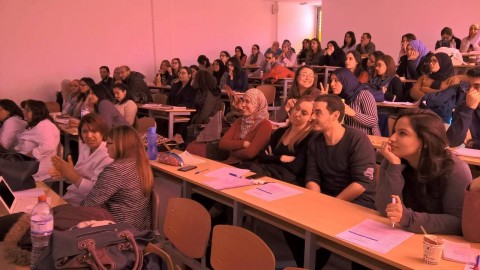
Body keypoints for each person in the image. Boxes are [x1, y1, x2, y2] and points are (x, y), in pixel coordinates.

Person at [301, 94, 376, 269]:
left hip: (359, 201)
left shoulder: (357, 139)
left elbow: (361, 183)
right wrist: (317, 202)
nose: (312, 117)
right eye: (312, 112)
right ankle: (309, 264)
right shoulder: (315, 140)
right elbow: (312, 176)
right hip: (328, 196)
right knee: (293, 224)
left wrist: (330, 205)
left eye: (317, 112)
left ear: (335, 115)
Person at [376, 109, 471, 235]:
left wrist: (407, 217)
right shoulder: (393, 160)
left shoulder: (455, 169)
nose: (392, 138)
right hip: (401, 234)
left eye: (402, 133)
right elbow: (385, 209)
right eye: (394, 132)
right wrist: (394, 167)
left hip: (437, 242)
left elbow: (458, 222)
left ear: (425, 141)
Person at [81, 125, 153, 231]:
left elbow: (87, 206)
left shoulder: (116, 170)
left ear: (121, 145)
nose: (106, 146)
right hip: (138, 228)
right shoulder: (140, 164)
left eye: (109, 143)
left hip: (118, 231)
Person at [49, 113, 113, 206]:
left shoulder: (108, 155)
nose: (89, 136)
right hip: (73, 196)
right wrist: (65, 175)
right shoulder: (86, 147)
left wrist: (72, 176)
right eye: (85, 131)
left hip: (88, 204)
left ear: (102, 132)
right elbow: (78, 174)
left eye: (94, 131)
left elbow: (97, 192)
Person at [250, 96, 314, 185]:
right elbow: (262, 157)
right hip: (266, 173)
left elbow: (295, 168)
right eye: (297, 109)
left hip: (286, 181)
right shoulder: (280, 132)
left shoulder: (309, 138)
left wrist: (272, 157)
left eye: (304, 113)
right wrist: (281, 158)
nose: (297, 114)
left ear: (311, 117)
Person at [219, 88, 272, 165]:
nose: (243, 104)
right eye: (243, 100)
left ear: (257, 104)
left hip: (246, 167)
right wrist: (243, 144)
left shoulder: (265, 125)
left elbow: (249, 154)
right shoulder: (239, 121)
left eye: (247, 101)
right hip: (229, 163)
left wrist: (231, 149)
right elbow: (222, 144)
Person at [327, 68, 381, 136]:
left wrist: (353, 113)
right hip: (347, 138)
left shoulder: (364, 94)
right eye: (331, 80)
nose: (332, 84)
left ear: (345, 81)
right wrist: (325, 102)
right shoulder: (338, 97)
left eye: (336, 80)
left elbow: (374, 122)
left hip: (365, 140)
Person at [14, 100, 60, 181]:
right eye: (24, 109)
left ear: (37, 112)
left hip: (38, 166)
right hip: (27, 162)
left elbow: (48, 146)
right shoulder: (35, 124)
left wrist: (29, 154)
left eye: (27, 110)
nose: (24, 112)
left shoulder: (45, 126)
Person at [447, 67, 480, 148]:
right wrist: (468, 110)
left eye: (477, 86)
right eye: (468, 86)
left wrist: (472, 143)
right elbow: (452, 141)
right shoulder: (464, 107)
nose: (470, 91)